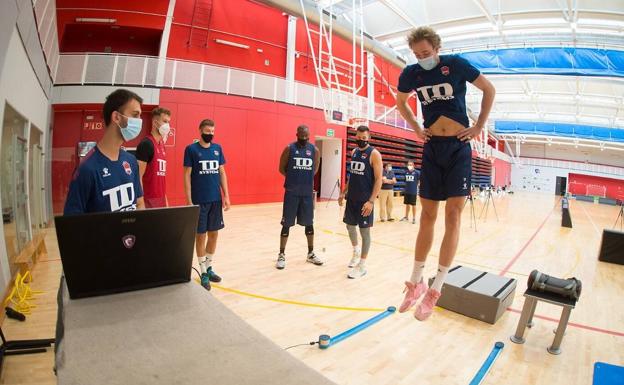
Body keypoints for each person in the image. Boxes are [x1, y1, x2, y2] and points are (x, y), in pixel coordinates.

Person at [395, 26, 495, 320]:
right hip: (432, 147)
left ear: (437, 48)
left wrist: (478, 127)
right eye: (416, 54)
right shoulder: (411, 74)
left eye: (426, 53)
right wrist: (415, 128)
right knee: (427, 216)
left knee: (453, 215)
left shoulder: (457, 65)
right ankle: (415, 282)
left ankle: (436, 288)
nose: (422, 58)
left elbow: (489, 89)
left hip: (458, 148)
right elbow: (401, 102)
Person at [64, 89, 145, 215]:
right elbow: (72, 224)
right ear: (116, 117)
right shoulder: (87, 168)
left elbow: (139, 203)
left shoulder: (131, 161)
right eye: (135, 115)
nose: (140, 121)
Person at [183, 119, 231, 291]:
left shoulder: (217, 149)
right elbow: (187, 175)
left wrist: (226, 195)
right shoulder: (191, 150)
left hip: (215, 201)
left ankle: (209, 267)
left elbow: (222, 173)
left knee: (214, 235)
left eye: (212, 131)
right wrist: (188, 200)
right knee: (200, 236)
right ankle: (202, 271)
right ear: (200, 131)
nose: (210, 133)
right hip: (199, 201)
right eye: (207, 130)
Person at [276, 125, 324, 269]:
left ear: (309, 136)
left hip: (307, 194)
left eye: (306, 137)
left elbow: (314, 169)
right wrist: (293, 178)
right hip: (291, 192)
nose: (304, 138)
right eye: (301, 136)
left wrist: (303, 180)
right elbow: (281, 168)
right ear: (297, 134)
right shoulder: (289, 148)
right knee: (286, 224)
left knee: (309, 223)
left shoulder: (314, 150)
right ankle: (281, 254)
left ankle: (310, 253)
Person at [338, 125, 383, 279]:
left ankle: (362, 265)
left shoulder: (374, 154)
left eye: (364, 138)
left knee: (364, 232)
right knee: (350, 226)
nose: (361, 140)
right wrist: (343, 191)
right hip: (352, 199)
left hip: (365, 201)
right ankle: (356, 251)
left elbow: (378, 180)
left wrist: (371, 201)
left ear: (368, 138)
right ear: (355, 136)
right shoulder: (354, 152)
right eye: (359, 137)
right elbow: (353, 175)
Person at [135, 107, 171, 208]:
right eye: (164, 121)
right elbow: (138, 177)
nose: (167, 125)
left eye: (168, 122)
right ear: (155, 123)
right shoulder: (146, 144)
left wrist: (166, 202)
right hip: (148, 202)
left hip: (161, 201)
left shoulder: (162, 145)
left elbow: (161, 179)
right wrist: (140, 204)